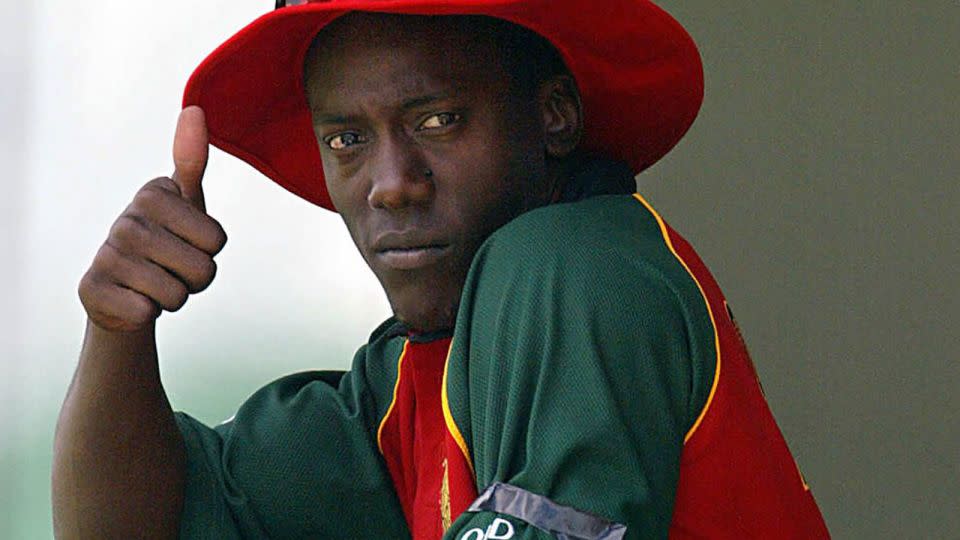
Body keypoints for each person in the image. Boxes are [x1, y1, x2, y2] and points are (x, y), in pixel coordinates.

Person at [52, 1, 830, 539]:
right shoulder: (408, 379)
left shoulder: (575, 263)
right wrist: (117, 329)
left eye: (437, 120)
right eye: (347, 140)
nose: (390, 182)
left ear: (554, 114)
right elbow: (132, 526)